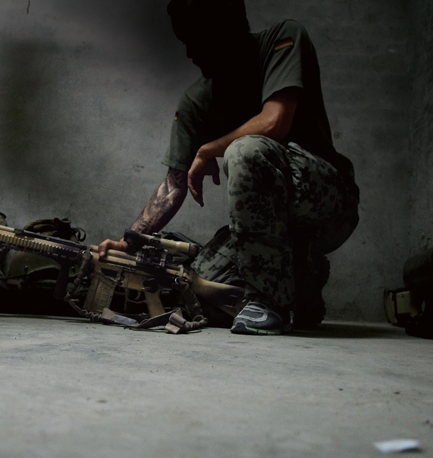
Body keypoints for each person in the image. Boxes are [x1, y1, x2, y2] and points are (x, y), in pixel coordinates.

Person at [98, 0, 359, 335]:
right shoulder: (196, 101)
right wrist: (130, 242)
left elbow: (274, 122)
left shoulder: (283, 38)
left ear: (229, 27)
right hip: (271, 226)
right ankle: (303, 276)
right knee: (200, 290)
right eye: (184, 41)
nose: (191, 52)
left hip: (328, 206)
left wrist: (209, 149)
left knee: (245, 151)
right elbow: (173, 185)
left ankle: (270, 303)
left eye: (197, 38)